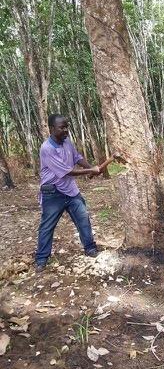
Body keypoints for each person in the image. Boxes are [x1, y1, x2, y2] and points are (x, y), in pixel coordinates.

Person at [35, 114, 112, 271]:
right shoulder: (47, 149)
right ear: (51, 129)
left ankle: (90, 248)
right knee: (47, 226)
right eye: (61, 127)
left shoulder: (66, 142)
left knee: (83, 218)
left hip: (70, 190)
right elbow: (66, 171)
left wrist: (90, 167)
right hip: (52, 193)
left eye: (66, 127)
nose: (65, 130)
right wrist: (91, 170)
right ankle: (41, 259)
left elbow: (77, 157)